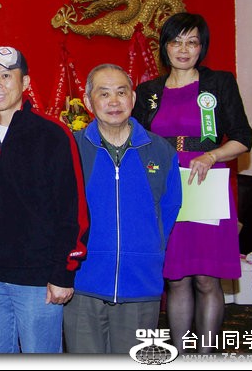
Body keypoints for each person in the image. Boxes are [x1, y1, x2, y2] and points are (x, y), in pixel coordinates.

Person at [133, 12, 252, 354]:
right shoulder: (148, 91)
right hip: (166, 186)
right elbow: (137, 141)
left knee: (206, 278)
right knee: (176, 277)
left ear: (202, 47)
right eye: (176, 42)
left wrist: (212, 155)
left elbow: (243, 139)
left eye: (192, 42)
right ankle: (181, 353)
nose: (183, 50)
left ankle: (206, 355)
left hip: (205, 184)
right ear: (164, 47)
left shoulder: (219, 83)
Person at [0, 46, 88, 353]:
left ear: (25, 82)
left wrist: (63, 273)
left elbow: (73, 209)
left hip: (38, 281)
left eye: (6, 76)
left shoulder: (53, 134)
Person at [64, 64, 182, 354]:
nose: (114, 101)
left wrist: (148, 252)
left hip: (140, 286)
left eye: (121, 92)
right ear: (89, 101)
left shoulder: (160, 151)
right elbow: (59, 214)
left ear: (133, 98)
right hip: (82, 285)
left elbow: (169, 210)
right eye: (104, 94)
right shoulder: (71, 149)